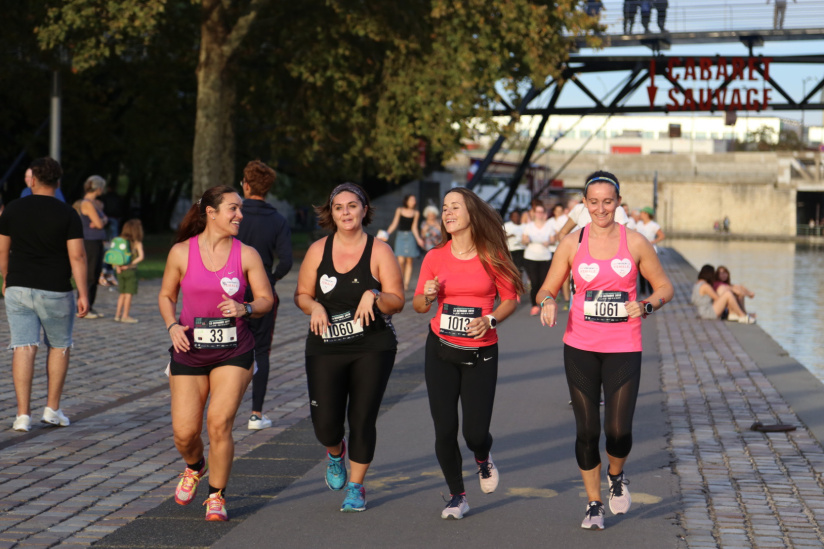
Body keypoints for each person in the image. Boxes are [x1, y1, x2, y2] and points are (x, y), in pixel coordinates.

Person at [536, 171, 674, 531]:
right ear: (584, 204)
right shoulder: (571, 242)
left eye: (607, 201)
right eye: (593, 201)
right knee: (586, 430)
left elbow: (664, 287)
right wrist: (549, 300)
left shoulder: (636, 242)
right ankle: (594, 503)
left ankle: (617, 474)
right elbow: (546, 287)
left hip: (624, 346)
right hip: (580, 346)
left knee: (618, 431)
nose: (600, 208)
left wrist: (645, 306)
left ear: (618, 202)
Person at [158, 185, 274, 521]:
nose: (240, 215)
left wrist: (245, 308)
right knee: (184, 433)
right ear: (211, 213)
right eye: (233, 209)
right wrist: (172, 326)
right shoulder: (181, 252)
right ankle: (195, 466)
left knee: (219, 422)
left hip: (233, 351)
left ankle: (216, 496)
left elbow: (266, 299)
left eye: (240, 209)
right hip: (189, 350)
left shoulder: (246, 254)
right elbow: (166, 295)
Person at [414, 187, 523, 520]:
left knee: (474, 433)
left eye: (455, 207)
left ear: (471, 213)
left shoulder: (492, 254)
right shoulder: (434, 257)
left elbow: (511, 299)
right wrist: (428, 296)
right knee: (445, 428)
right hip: (441, 349)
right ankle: (457, 496)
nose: (447, 213)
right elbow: (418, 305)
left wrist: (489, 319)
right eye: (444, 208)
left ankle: (482, 456)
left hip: (481, 353)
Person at [295, 183, 404, 513]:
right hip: (325, 345)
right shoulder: (318, 250)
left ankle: (356, 487)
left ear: (364, 209)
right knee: (325, 423)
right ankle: (334, 452)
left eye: (352, 206)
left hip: (371, 346)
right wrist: (312, 306)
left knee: (362, 418)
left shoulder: (380, 250)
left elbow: (397, 301)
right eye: (339, 207)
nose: (346, 212)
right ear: (331, 213)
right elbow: (301, 293)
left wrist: (374, 294)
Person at [0, 157, 89, 432]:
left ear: (33, 180)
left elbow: (2, 250)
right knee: (59, 345)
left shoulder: (13, 209)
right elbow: (77, 255)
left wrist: (5, 279)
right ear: (58, 183)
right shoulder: (67, 213)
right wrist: (84, 293)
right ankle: (51, 409)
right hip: (56, 288)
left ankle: (22, 415)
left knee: (24, 346)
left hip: (18, 286)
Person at [236, 160, 293, 431]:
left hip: (230, 291)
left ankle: (223, 406)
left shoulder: (233, 215)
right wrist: (269, 279)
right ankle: (256, 413)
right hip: (263, 294)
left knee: (225, 346)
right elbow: (286, 261)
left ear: (245, 185)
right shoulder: (278, 220)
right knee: (261, 350)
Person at [79, 176, 109, 319]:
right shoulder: (87, 204)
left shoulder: (96, 203)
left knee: (96, 274)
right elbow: (99, 223)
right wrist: (102, 221)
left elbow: (103, 220)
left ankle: (90, 305)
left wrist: (101, 220)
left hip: (97, 241)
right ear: (98, 188)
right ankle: (83, 306)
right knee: (89, 274)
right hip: (89, 242)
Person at [521, 201, 556, 316]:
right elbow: (523, 239)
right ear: (534, 213)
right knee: (535, 282)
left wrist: (549, 242)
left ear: (545, 214)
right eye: (538, 212)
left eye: (542, 212)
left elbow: (553, 239)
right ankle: (534, 305)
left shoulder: (549, 226)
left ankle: (542, 304)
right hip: (531, 257)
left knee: (543, 283)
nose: (540, 214)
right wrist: (526, 240)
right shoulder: (529, 226)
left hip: (545, 257)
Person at [386, 194, 424, 291]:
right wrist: (387, 233)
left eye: (414, 200)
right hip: (400, 237)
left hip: (410, 237)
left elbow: (414, 227)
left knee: (409, 261)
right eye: (411, 200)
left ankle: (405, 284)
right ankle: (401, 280)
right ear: (406, 201)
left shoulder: (416, 213)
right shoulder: (399, 210)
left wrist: (419, 239)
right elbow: (394, 223)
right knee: (401, 261)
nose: (413, 202)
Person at [113, 219, 145, 323]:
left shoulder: (120, 241)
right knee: (128, 294)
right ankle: (125, 315)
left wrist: (117, 266)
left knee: (121, 294)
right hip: (130, 271)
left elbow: (115, 255)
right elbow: (141, 257)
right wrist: (130, 265)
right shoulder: (136, 243)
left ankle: (117, 315)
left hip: (119, 271)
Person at [503, 210, 525, 279]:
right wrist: (510, 236)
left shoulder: (524, 226)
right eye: (514, 216)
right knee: (511, 269)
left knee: (520, 269)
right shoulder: (507, 225)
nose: (516, 218)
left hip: (521, 250)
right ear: (511, 217)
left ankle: (519, 285)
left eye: (517, 216)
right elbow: (501, 236)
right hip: (510, 250)